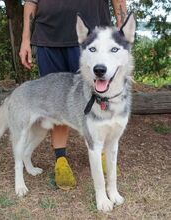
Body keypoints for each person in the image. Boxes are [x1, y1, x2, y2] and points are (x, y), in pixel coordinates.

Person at [19, 0, 127, 190]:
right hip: (49, 38)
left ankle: (101, 153)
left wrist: (122, 30)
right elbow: (31, 2)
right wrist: (25, 39)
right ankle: (61, 159)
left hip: (93, 39)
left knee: (100, 96)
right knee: (57, 103)